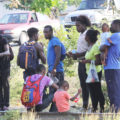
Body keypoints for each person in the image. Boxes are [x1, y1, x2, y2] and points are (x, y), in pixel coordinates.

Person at [68, 15, 91, 110]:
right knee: (82, 84)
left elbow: (90, 50)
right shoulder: (81, 34)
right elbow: (81, 49)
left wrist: (78, 54)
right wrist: (73, 54)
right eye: (76, 26)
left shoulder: (88, 34)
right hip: (80, 61)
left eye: (79, 26)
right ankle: (84, 105)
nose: (77, 28)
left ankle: (88, 105)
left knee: (87, 85)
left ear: (84, 25)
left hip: (86, 62)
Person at [80, 29, 105, 112]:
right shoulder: (89, 47)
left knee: (97, 90)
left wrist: (87, 61)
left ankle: (102, 107)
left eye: (86, 35)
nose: (85, 37)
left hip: (95, 72)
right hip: (89, 72)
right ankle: (94, 107)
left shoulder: (95, 47)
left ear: (89, 37)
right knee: (92, 90)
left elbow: (98, 62)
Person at [100, 19, 120, 112]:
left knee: (113, 90)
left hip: (112, 67)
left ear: (118, 25)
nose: (110, 27)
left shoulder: (115, 36)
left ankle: (115, 111)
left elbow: (102, 47)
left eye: (112, 25)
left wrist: (101, 47)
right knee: (114, 89)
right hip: (113, 67)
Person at [43, 25, 64, 112]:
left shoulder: (55, 40)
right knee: (53, 90)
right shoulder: (51, 41)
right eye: (44, 32)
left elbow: (58, 55)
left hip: (56, 71)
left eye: (47, 32)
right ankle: (54, 109)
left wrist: (54, 69)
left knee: (56, 90)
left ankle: (55, 110)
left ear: (51, 32)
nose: (45, 34)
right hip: (52, 70)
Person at [0, 35, 14, 111]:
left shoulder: (3, 40)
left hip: (4, 66)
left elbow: (8, 52)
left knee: (5, 85)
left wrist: (1, 54)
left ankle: (6, 104)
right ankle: (1, 104)